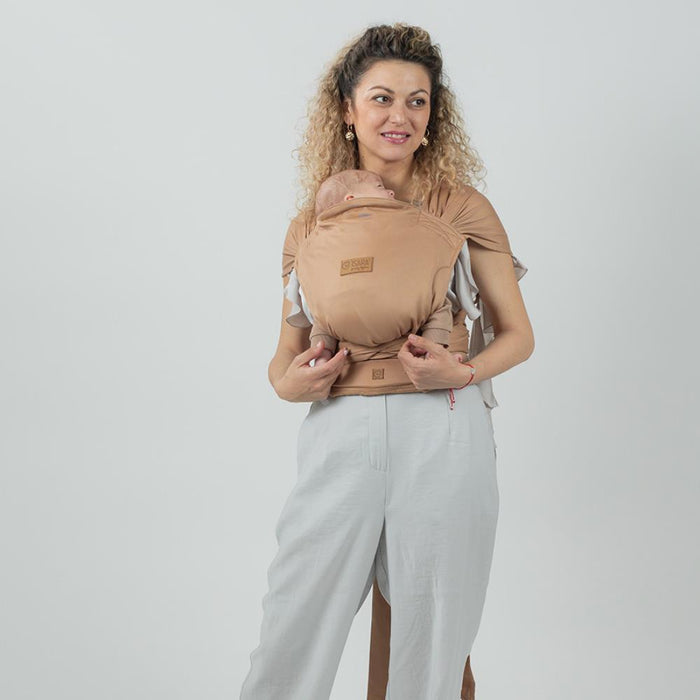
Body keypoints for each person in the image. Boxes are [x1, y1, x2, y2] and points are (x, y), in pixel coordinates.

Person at [239, 22, 534, 700]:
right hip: (339, 429)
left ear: (433, 116)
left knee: (432, 634)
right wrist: (293, 384)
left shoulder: (461, 207)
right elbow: (284, 359)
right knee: (294, 620)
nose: (400, 115)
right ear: (347, 109)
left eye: (417, 101)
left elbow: (518, 334)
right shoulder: (310, 228)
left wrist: (462, 372)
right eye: (381, 98)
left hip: (442, 427)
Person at [296, 167, 462, 365]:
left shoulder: (315, 240)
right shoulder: (402, 220)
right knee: (438, 304)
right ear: (351, 199)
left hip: (336, 317)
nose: (391, 192)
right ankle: (432, 351)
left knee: (322, 319)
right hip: (401, 307)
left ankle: (322, 357)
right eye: (380, 187)